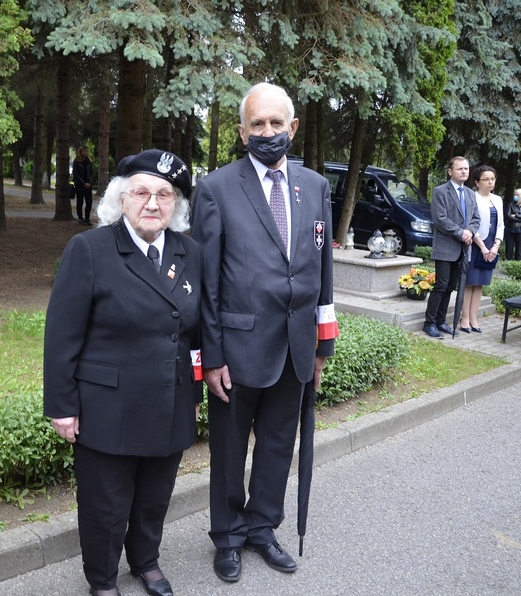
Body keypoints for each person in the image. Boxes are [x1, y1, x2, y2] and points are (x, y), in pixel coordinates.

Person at [191, 82, 338, 583]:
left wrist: (325, 343)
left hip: (297, 346)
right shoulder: (215, 188)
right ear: (242, 131)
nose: (268, 132)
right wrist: (210, 357)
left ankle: (261, 528)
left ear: (292, 128)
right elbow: (206, 283)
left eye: (277, 123)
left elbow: (322, 273)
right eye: (257, 124)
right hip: (237, 347)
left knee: (278, 443)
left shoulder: (315, 187)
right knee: (229, 450)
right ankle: (228, 536)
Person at [44, 149, 200, 596]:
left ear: (177, 204)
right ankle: (102, 580)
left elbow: (197, 326)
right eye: (142, 192)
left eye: (165, 194)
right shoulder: (90, 249)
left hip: (170, 398)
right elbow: (61, 335)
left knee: (154, 497)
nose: (153, 203)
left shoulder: (190, 252)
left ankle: (146, 562)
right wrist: (61, 406)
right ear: (120, 198)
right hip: (107, 405)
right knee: (106, 505)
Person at [423, 157, 480, 338]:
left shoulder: (471, 194)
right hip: (445, 247)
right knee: (441, 285)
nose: (464, 172)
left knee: (450, 287)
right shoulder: (441, 191)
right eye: (460, 169)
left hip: (463, 249)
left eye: (466, 169)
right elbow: (440, 219)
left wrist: (470, 231)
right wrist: (460, 232)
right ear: (450, 171)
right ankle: (429, 323)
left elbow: (476, 219)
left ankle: (440, 321)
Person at [458, 165, 504, 333]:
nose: (490, 182)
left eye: (492, 179)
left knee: (480, 284)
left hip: (492, 246)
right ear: (477, 182)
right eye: (486, 179)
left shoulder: (498, 199)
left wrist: (496, 245)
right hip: (476, 244)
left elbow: (501, 225)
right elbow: (471, 223)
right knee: (470, 282)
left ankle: (474, 318)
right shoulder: (472, 197)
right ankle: (464, 319)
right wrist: (483, 247)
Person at [504, 187, 521, 260]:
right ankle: (508, 263)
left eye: (516, 195)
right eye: (514, 194)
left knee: (519, 250)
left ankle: (517, 264)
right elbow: (508, 216)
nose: (514, 196)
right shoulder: (511, 205)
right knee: (509, 248)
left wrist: (516, 215)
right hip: (510, 229)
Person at [73, 146, 95, 225]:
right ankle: (80, 218)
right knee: (80, 201)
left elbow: (92, 173)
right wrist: (83, 183)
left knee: (89, 202)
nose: (86, 152)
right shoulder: (77, 162)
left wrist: (90, 182)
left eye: (87, 151)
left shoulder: (89, 161)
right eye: (85, 151)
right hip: (80, 185)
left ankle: (87, 218)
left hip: (88, 185)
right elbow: (76, 174)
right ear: (81, 152)